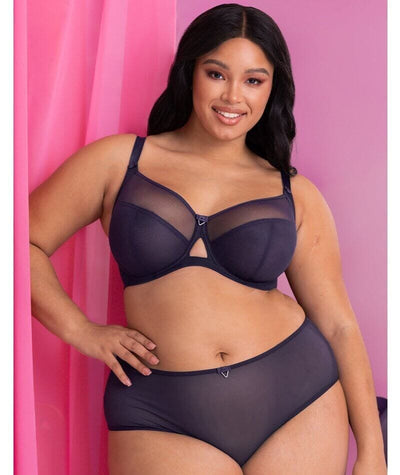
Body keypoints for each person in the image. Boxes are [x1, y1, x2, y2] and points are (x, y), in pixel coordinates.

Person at [29, 3, 387, 474]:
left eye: (253, 80)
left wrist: (373, 452)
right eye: (217, 74)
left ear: (272, 89)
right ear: (190, 72)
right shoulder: (119, 162)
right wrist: (81, 330)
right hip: (162, 412)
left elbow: (338, 324)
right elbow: (21, 244)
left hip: (296, 400)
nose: (233, 96)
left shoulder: (294, 194)